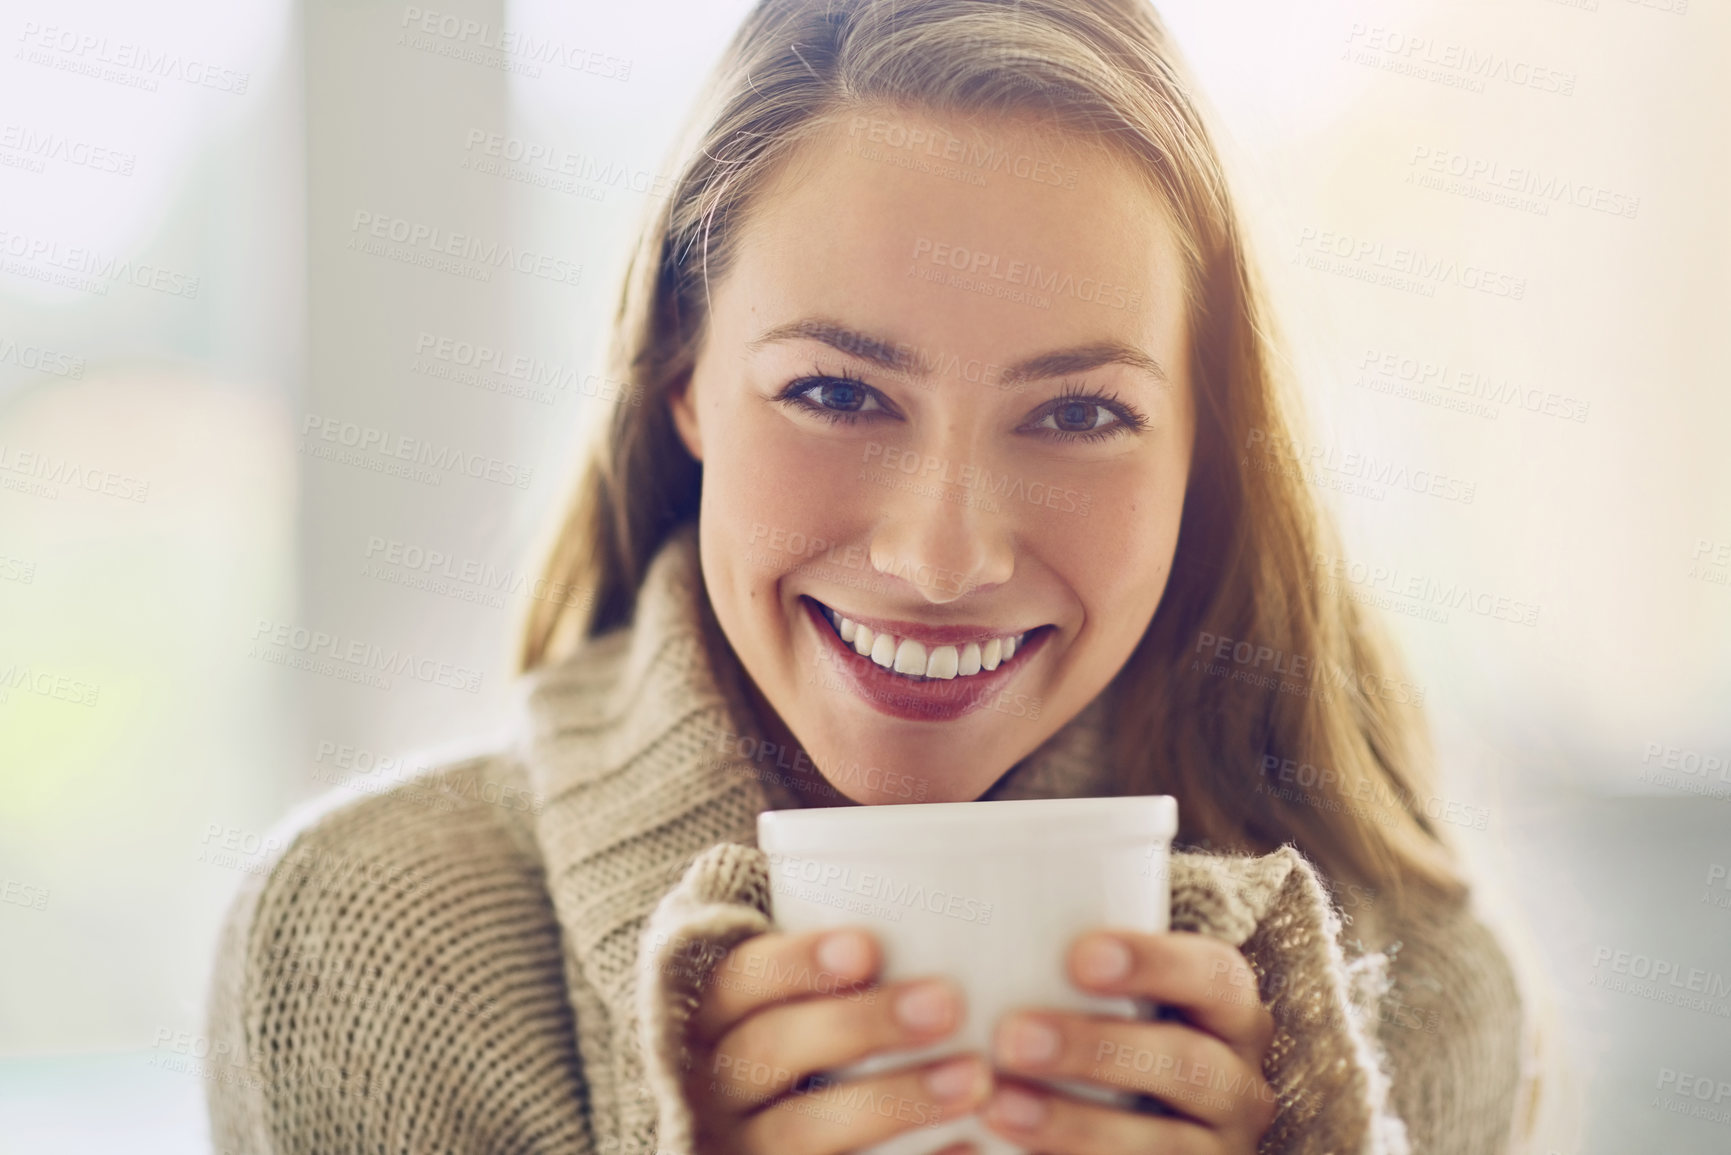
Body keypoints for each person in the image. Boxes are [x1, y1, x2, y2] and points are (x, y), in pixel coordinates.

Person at [205, 1, 1541, 1152]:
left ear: (1205, 447)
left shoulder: (1412, 998)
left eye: (1078, 415)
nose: (942, 557)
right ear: (684, 380)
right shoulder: (364, 945)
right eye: (838, 391)